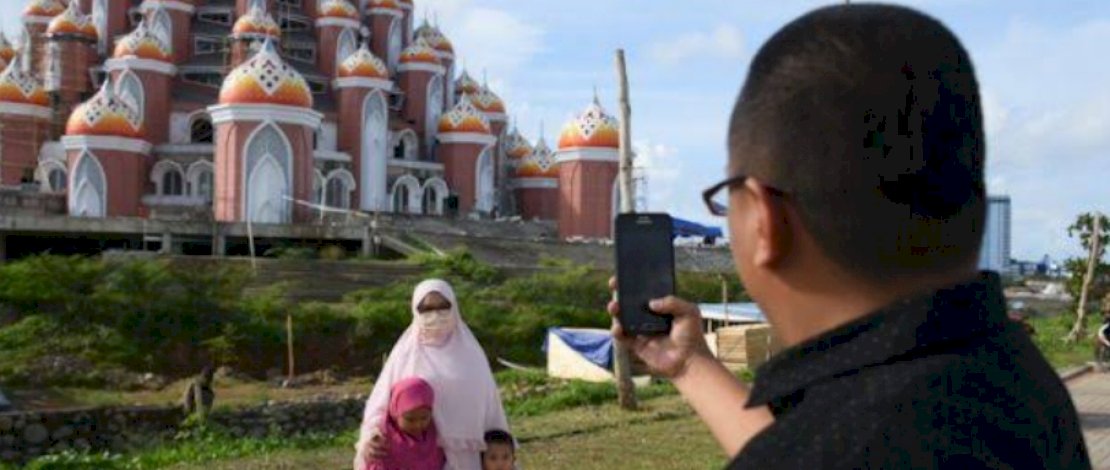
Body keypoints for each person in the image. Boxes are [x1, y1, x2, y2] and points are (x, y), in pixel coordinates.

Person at [607, 4, 1090, 468]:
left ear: (763, 219)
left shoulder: (846, 441)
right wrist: (692, 366)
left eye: (725, 197)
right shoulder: (1015, 381)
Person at [354, 279, 509, 470]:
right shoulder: (405, 354)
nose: (435, 315)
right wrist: (372, 435)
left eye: (443, 307)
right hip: (418, 456)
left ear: (454, 307)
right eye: (426, 309)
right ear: (415, 311)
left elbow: (491, 409)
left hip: (470, 456)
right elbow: (381, 402)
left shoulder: (472, 354)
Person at [364, 377, 445, 470]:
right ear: (395, 412)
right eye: (410, 419)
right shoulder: (383, 442)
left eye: (424, 418)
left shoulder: (433, 436)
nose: (418, 425)